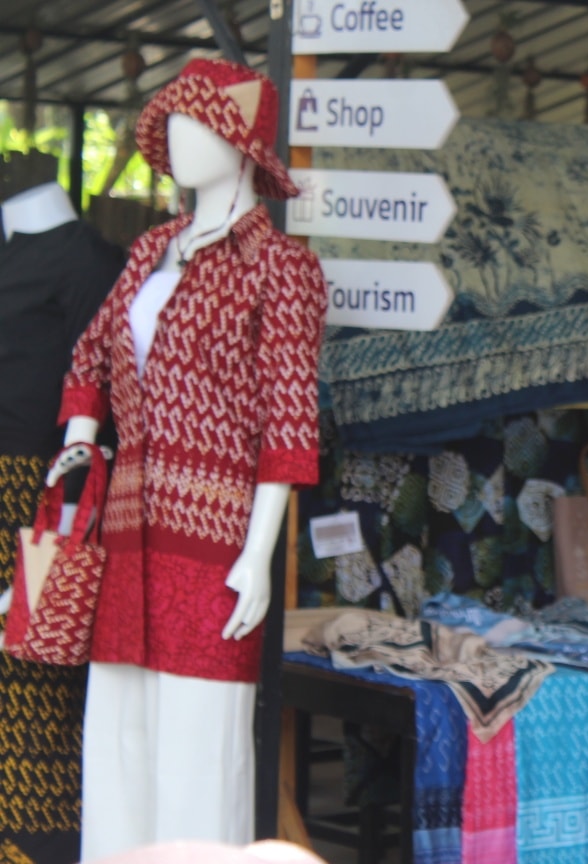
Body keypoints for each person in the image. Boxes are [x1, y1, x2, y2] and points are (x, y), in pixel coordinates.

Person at [46, 58, 327, 860]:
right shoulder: (148, 253)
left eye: (197, 121)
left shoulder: (281, 268)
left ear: (241, 143)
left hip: (215, 551)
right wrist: (74, 450)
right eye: (169, 118)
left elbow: (287, 418)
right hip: (127, 541)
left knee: (200, 762)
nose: (176, 134)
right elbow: (89, 361)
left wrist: (259, 557)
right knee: (118, 751)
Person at [0, 181, 122, 864]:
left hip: (38, 510)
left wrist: (46, 559)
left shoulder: (91, 269)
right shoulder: (14, 258)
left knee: (34, 703)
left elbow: (93, 429)